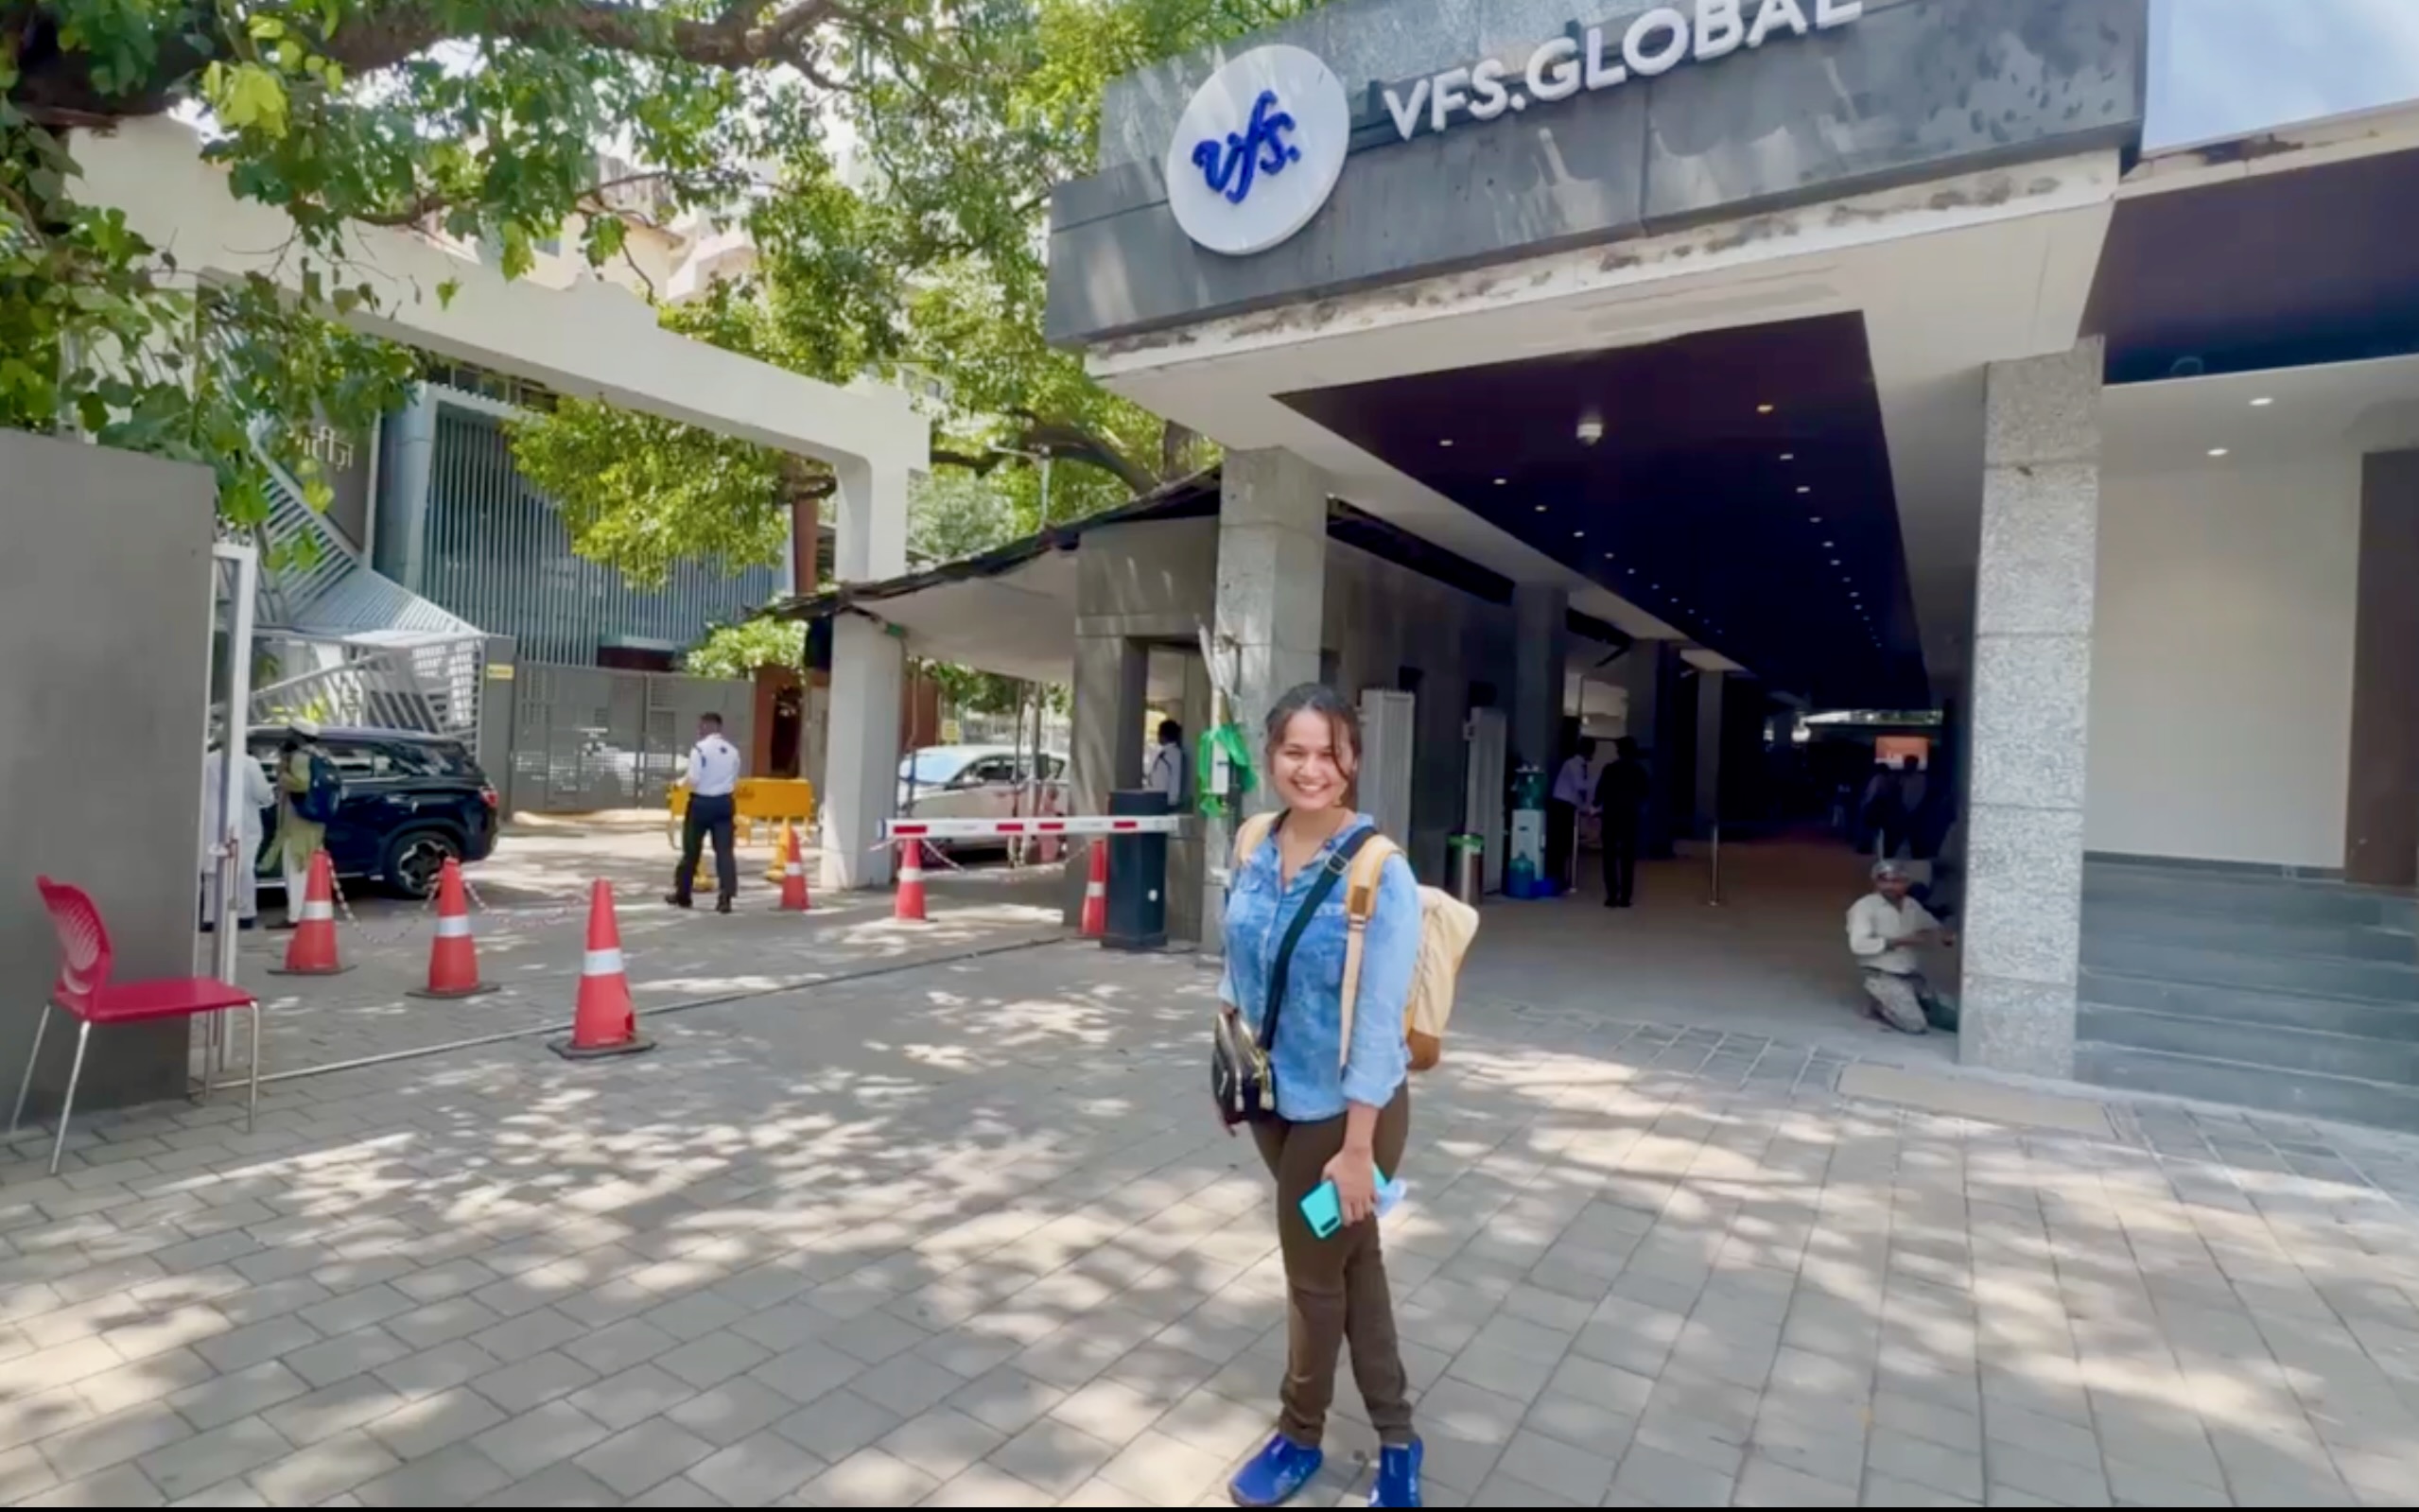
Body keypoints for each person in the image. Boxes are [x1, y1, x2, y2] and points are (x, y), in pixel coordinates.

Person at [1218, 684, 1424, 1508]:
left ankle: (1300, 1434)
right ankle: (1399, 1440)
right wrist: (1229, 1064)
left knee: (1312, 1279)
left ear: (1354, 761)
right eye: (1294, 751)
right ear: (1270, 756)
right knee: (1353, 1264)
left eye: (1328, 752)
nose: (1312, 769)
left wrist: (1356, 1147)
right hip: (1272, 1097)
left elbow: (1379, 1023)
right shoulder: (1253, 842)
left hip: (1348, 1110)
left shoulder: (1382, 871)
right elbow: (1239, 964)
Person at [1848, 859, 1956, 1034]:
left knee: (1949, 1017)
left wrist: (1944, 935)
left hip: (1910, 973)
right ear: (1876, 882)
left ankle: (1907, 1000)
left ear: (1906, 883)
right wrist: (1900, 941)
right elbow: (1858, 945)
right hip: (1881, 974)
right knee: (1915, 1024)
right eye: (1884, 880)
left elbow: (1931, 924)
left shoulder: (1911, 905)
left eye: (1896, 881)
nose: (1890, 886)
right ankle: (1878, 1004)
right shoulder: (1864, 908)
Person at [669, 712, 743, 912]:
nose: (698, 730)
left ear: (706, 726)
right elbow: (735, 781)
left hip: (701, 804)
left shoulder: (699, 749)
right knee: (725, 852)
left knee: (691, 850)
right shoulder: (733, 751)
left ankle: (683, 894)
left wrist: (678, 784)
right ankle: (726, 896)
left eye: (700, 726)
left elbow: (693, 778)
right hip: (724, 804)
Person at [200, 741, 273, 931]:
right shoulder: (249, 763)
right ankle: (244, 914)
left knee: (212, 869)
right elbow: (263, 795)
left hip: (212, 823)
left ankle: (211, 916)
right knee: (243, 870)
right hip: (243, 823)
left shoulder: (206, 761)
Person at [271, 723, 334, 930]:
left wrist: (281, 774)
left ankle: (295, 916)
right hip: (315, 820)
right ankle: (306, 911)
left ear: (298, 736)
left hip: (300, 821)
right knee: (306, 867)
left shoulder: (299, 757)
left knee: (295, 868)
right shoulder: (321, 755)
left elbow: (301, 784)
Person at [1593, 737, 1650, 909]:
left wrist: (1595, 805)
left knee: (1609, 857)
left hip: (1610, 816)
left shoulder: (1609, 769)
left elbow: (1599, 792)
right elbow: (1645, 793)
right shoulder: (1639, 771)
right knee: (1628, 858)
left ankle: (1612, 895)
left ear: (1618, 751)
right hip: (1630, 817)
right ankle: (1625, 897)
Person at [1548, 738, 1593, 891]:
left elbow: (1575, 792)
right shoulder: (1573, 764)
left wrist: (1585, 808)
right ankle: (1558, 878)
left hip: (1567, 805)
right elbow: (1579, 786)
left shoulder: (1577, 765)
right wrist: (1597, 782)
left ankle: (1561, 878)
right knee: (1561, 843)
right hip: (1562, 806)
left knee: (1564, 844)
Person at [1148, 718, 1186, 807]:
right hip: (1178, 802)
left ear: (1163, 736)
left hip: (1165, 804)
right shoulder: (1179, 754)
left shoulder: (1164, 757)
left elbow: (1159, 785)